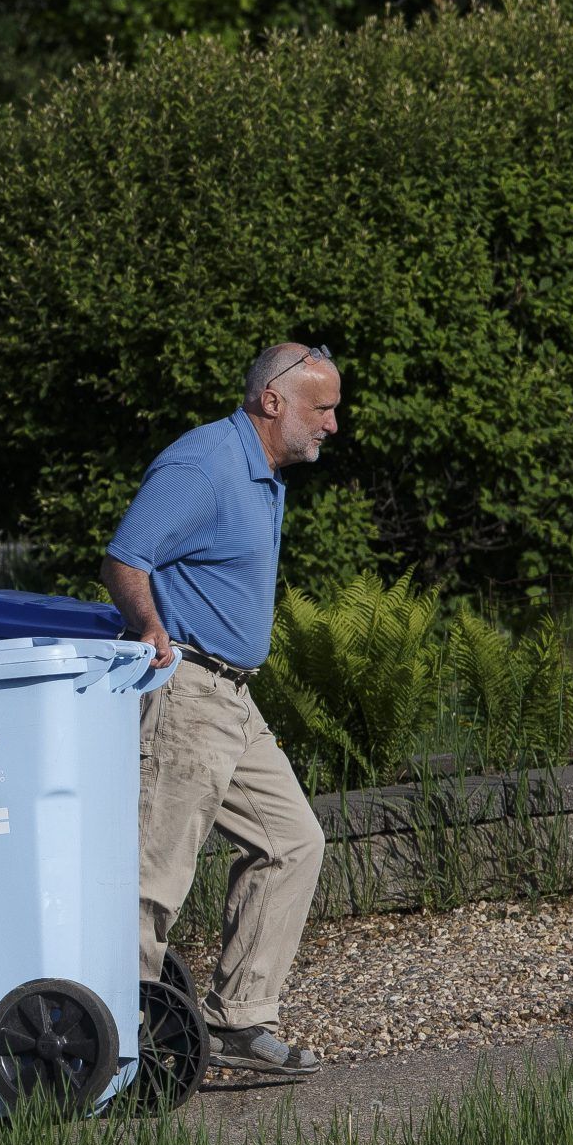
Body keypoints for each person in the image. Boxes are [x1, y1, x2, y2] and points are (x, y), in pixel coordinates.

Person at [102, 341, 340, 1075]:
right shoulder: (203, 465)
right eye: (322, 408)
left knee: (294, 841)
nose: (332, 424)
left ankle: (238, 1019)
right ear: (272, 401)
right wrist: (148, 625)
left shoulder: (263, 472)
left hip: (235, 695)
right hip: (186, 688)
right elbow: (126, 558)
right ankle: (117, 1048)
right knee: (152, 879)